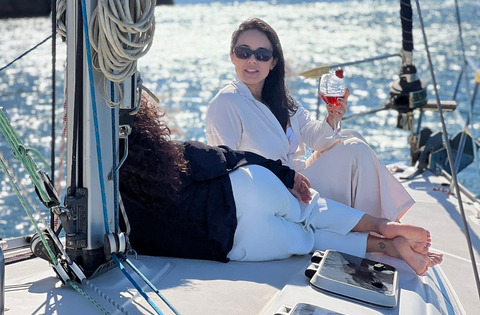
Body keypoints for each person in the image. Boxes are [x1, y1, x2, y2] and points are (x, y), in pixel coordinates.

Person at [118, 94, 442, 276]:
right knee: (314, 210)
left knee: (311, 239)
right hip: (247, 189)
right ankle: (383, 227)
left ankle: (387, 247)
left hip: (235, 242)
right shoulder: (170, 156)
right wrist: (286, 175)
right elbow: (227, 156)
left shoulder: (119, 215)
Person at [205, 18, 414, 222]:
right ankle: (383, 226)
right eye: (244, 52)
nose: (252, 60)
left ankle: (380, 224)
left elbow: (315, 139)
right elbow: (227, 166)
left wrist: (332, 118)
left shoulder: (279, 98)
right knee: (355, 150)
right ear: (233, 56)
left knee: (351, 137)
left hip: (299, 182)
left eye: (262, 55)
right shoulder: (227, 102)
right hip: (276, 193)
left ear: (273, 62)